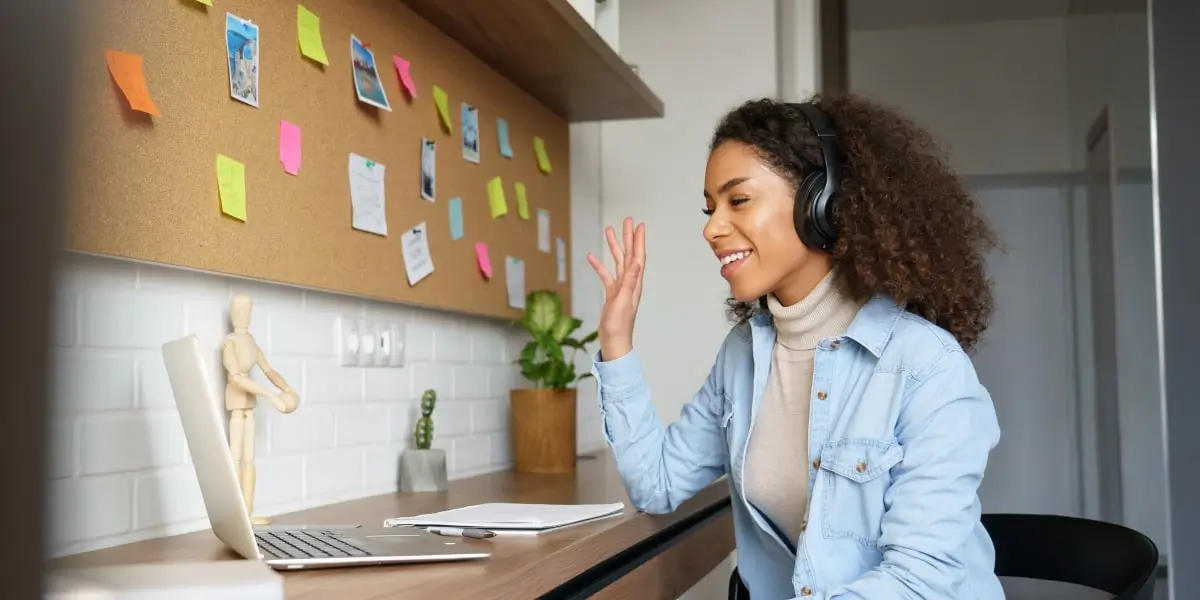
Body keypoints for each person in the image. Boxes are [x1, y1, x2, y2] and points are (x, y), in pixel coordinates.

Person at [586, 93, 1004, 599]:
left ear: (819, 202)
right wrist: (616, 340)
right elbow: (657, 484)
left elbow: (918, 583)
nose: (712, 228)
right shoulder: (743, 354)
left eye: (737, 200)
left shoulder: (927, 367)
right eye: (710, 208)